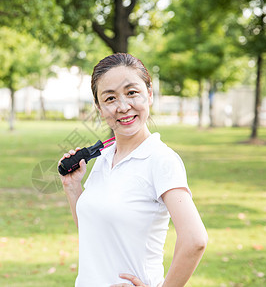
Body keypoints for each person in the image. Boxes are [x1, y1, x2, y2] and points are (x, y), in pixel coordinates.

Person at [59, 53, 208, 287]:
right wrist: (72, 187)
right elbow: (94, 233)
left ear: (149, 95)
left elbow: (195, 240)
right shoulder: (105, 157)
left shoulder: (161, 160)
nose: (123, 106)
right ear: (99, 108)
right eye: (110, 99)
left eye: (131, 93)